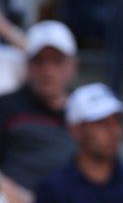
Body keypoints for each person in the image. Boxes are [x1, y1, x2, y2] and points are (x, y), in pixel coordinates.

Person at [0, 21, 79, 193]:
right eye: (39, 61)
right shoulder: (6, 107)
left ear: (72, 66)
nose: (48, 70)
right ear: (27, 66)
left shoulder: (86, 109)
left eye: (57, 61)